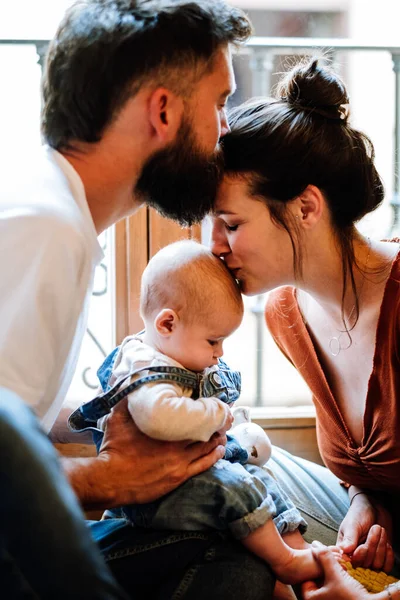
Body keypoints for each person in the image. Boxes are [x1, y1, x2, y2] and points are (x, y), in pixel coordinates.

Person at [0, 1, 279, 599]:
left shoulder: (57, 213)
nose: (225, 130)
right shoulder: (43, 228)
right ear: (163, 110)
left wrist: (117, 408)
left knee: (237, 553)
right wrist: (109, 479)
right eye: (220, 103)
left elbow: (21, 410)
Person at [210, 56, 400, 594]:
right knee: (226, 466)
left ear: (306, 207)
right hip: (376, 544)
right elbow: (364, 470)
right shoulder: (286, 315)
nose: (215, 247)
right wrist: (365, 501)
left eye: (230, 224)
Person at [70, 239, 322, 591]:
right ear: (168, 324)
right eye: (213, 341)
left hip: (179, 481)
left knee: (259, 479)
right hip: (153, 500)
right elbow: (158, 417)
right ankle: (284, 561)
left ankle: (298, 555)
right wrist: (214, 413)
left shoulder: (173, 351)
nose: (219, 353)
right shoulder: (144, 367)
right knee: (235, 489)